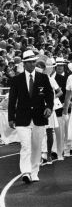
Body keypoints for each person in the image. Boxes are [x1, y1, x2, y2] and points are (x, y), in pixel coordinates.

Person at [8, 50, 54, 183]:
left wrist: (49, 107)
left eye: (34, 61)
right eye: (29, 62)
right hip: (22, 118)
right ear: (24, 63)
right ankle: (26, 172)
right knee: (26, 146)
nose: (32, 64)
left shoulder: (43, 78)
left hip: (39, 117)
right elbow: (12, 100)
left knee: (37, 146)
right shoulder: (16, 80)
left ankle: (34, 172)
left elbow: (50, 95)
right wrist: (11, 117)